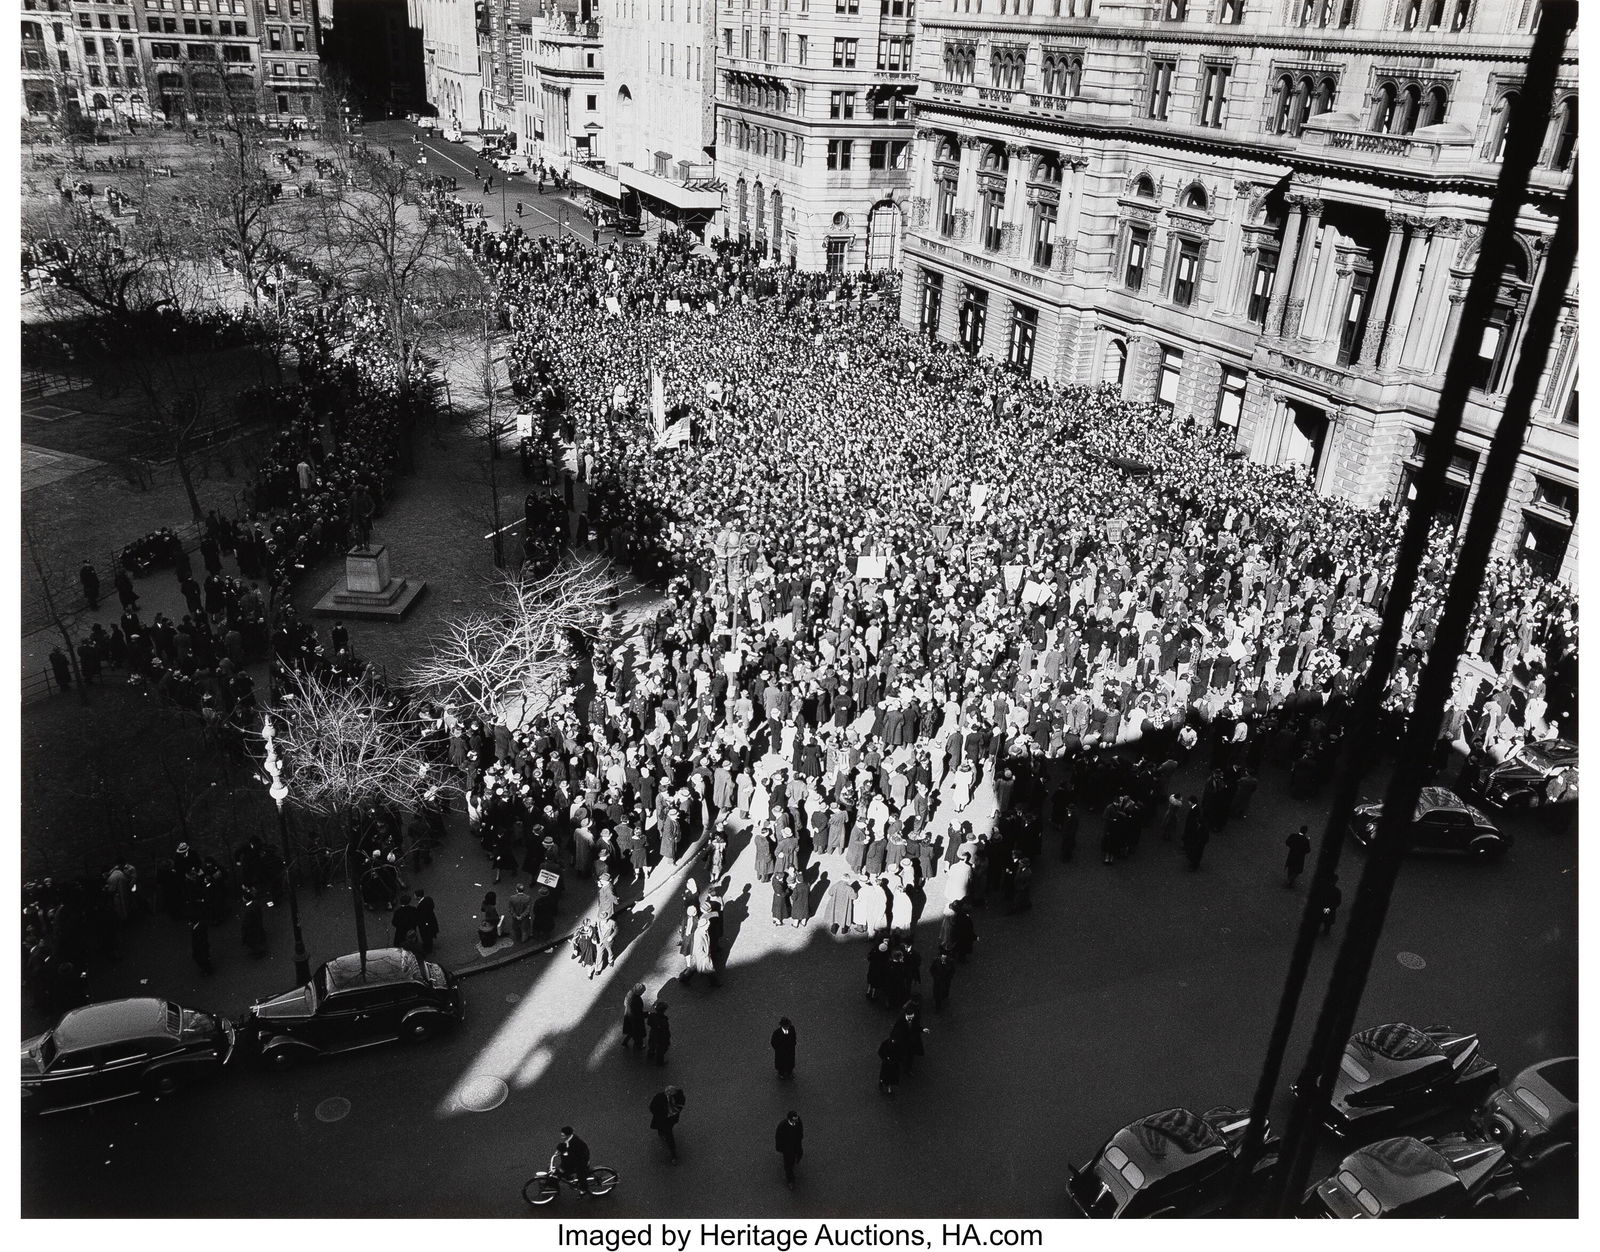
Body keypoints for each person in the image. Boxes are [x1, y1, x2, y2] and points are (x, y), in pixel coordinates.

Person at [649, 1085, 686, 1163]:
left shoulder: (678, 1096)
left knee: (667, 1133)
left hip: (670, 1120)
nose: (668, 1094)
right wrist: (660, 1114)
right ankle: (673, 1155)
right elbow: (652, 1107)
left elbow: (681, 1102)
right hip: (662, 1119)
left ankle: (673, 1154)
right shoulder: (659, 1097)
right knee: (669, 1135)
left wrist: (675, 1111)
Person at [554, 1126, 592, 1194]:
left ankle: (584, 1189)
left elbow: (572, 1158)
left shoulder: (575, 1143)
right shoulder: (570, 1138)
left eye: (563, 1134)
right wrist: (559, 1150)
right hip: (576, 1156)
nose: (561, 1135)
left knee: (581, 1175)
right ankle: (569, 1177)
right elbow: (565, 1145)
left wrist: (564, 1154)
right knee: (563, 1168)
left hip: (582, 1160)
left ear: (568, 1135)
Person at [775, 1111, 804, 1188]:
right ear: (790, 1119)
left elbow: (800, 1130)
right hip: (787, 1148)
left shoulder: (798, 1122)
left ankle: (795, 1161)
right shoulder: (783, 1125)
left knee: (799, 1154)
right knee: (788, 1165)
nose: (796, 1120)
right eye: (794, 1119)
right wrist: (780, 1148)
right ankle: (790, 1180)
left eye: (796, 1118)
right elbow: (778, 1137)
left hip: (796, 1145)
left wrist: (800, 1137)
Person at [622, 983, 648, 1050]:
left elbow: (625, 1003)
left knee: (631, 1031)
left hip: (628, 1015)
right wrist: (646, 1014)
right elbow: (638, 1014)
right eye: (643, 991)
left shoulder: (630, 993)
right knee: (638, 1034)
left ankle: (625, 1042)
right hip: (635, 1020)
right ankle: (639, 1045)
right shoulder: (637, 1000)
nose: (643, 993)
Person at [646, 999, 672, 1065]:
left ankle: (650, 1054)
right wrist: (668, 1038)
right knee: (661, 1049)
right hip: (660, 1036)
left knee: (652, 1044)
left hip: (653, 1033)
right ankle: (660, 1062)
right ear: (664, 1010)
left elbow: (648, 1023)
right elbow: (665, 1031)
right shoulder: (663, 1020)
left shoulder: (651, 1015)